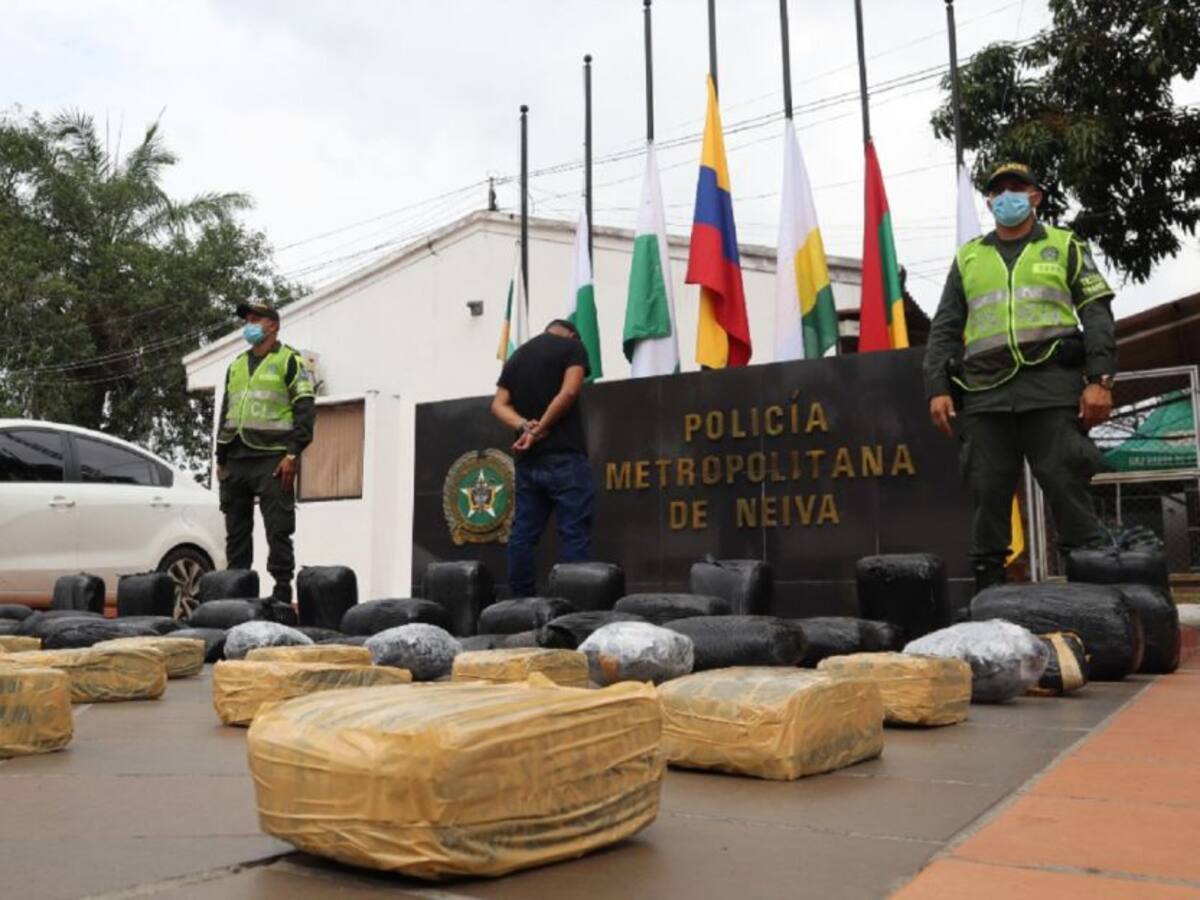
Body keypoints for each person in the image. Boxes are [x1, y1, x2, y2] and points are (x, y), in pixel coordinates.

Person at [923, 162, 1117, 592]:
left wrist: (1100, 380)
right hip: (984, 393)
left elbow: (1097, 313)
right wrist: (936, 386)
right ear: (989, 201)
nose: (1007, 195)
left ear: (1035, 197)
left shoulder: (1065, 245)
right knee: (986, 499)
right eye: (998, 190)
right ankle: (988, 604)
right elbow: (944, 327)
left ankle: (1097, 604)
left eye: (1017, 187)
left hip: (1051, 387)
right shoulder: (969, 256)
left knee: (1069, 491)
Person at [215, 300, 315, 603]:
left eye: (255, 319)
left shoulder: (290, 361)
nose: (248, 324)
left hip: (272, 457)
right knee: (236, 532)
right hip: (236, 457)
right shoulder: (235, 365)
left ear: (273, 324)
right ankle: (237, 593)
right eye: (246, 319)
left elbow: (305, 410)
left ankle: (282, 593)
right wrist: (220, 458)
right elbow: (226, 411)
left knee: (278, 529)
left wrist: (293, 454)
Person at [491, 319, 593, 597]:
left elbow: (498, 405)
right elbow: (570, 390)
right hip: (565, 457)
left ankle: (521, 602)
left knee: (523, 535)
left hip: (528, 463)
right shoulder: (572, 348)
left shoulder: (517, 356)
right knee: (573, 533)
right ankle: (575, 602)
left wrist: (525, 427)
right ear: (572, 334)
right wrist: (542, 427)